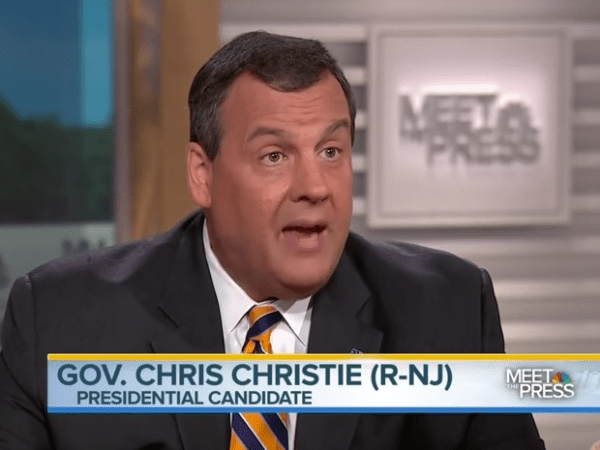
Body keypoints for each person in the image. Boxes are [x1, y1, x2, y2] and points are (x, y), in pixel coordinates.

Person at [0, 31, 544, 449]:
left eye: (330, 152)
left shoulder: (447, 310)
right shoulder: (59, 321)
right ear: (203, 175)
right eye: (275, 156)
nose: (314, 187)